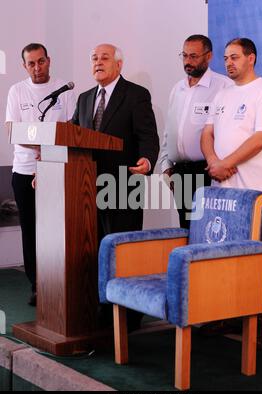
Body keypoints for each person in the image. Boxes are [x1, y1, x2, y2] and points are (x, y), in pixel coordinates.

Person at [201, 38, 262, 349]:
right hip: (223, 191)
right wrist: (213, 162)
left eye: (234, 57)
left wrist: (226, 163)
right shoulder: (222, 94)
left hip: (255, 192)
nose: (228, 62)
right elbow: (207, 133)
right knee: (224, 258)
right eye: (225, 58)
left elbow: (261, 138)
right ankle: (227, 314)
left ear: (251, 58)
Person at [72, 43, 159, 330]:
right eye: (94, 58)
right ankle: (100, 306)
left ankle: (129, 313)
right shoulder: (84, 98)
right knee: (94, 249)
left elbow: (147, 135)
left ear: (119, 64)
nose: (98, 62)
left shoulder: (135, 95)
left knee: (123, 251)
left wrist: (147, 160)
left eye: (104, 58)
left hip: (124, 184)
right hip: (87, 188)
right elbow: (73, 137)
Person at [5, 43, 77, 306]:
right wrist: (40, 146)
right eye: (31, 63)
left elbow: (71, 128)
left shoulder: (65, 91)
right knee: (31, 230)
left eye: (41, 61)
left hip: (57, 169)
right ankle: (36, 284)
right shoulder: (17, 91)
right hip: (24, 170)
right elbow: (12, 129)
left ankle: (59, 282)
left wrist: (48, 150)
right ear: (25, 66)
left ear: (49, 60)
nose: (37, 68)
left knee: (57, 230)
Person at [159, 35, 232, 228]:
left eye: (193, 56)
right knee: (185, 228)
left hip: (207, 171)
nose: (187, 62)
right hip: (179, 172)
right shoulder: (178, 88)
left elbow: (229, 132)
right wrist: (166, 165)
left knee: (206, 229)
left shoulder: (223, 86)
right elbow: (170, 130)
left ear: (208, 57)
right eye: (184, 56)